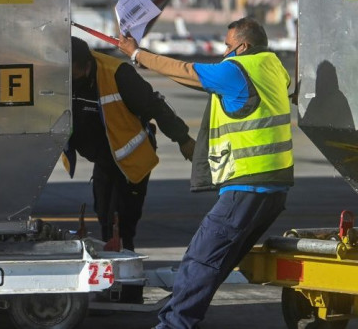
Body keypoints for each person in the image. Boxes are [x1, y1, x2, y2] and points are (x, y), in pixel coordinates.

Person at [117, 17, 293, 329]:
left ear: (243, 45)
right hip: (275, 187)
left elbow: (186, 70)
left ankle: (174, 325)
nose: (224, 52)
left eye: (228, 46)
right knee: (217, 263)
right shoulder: (272, 65)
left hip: (246, 185)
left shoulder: (235, 70)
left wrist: (136, 54)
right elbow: (198, 80)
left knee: (200, 260)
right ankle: (183, 319)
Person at [66, 37, 195, 253]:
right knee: (104, 216)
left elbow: (155, 106)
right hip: (105, 157)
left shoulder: (118, 74)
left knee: (122, 223)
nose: (68, 79)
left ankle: (125, 277)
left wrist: (183, 139)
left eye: (73, 74)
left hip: (131, 159)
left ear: (86, 65)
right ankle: (113, 268)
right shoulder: (65, 76)